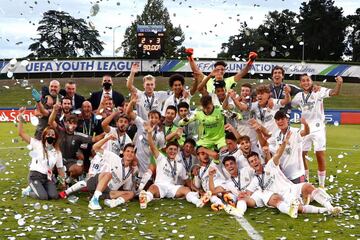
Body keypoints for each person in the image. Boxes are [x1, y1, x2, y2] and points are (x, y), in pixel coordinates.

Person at [246, 133, 343, 217]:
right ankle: (326, 210)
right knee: (298, 208)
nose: (254, 162)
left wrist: (285, 142)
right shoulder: (255, 180)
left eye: (255, 159)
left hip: (292, 188)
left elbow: (278, 154)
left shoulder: (270, 165)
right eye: (251, 162)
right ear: (250, 165)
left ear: (259, 160)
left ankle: (331, 207)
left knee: (308, 186)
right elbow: (247, 194)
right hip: (282, 196)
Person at [138, 124, 211, 209]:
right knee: (152, 187)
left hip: (172, 188)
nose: (172, 151)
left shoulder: (180, 165)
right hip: (159, 186)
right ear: (166, 150)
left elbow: (187, 181)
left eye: (175, 149)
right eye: (170, 149)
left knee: (185, 189)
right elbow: (152, 146)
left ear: (177, 151)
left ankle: (198, 202)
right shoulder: (161, 158)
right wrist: (150, 133)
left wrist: (198, 191)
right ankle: (144, 200)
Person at [292, 74, 343, 187]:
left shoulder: (318, 91)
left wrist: (339, 83)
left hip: (318, 128)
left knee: (320, 155)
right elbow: (290, 104)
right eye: (303, 81)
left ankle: (321, 185)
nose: (306, 82)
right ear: (300, 84)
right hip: (305, 129)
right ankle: (306, 183)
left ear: (311, 82)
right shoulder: (298, 96)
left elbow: (334, 92)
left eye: (308, 80)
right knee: (302, 155)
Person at [18, 107, 66, 200]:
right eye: (48, 134)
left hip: (47, 178)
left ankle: (40, 188)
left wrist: (63, 182)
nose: (50, 136)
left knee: (54, 196)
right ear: (44, 136)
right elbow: (21, 133)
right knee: (44, 197)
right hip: (35, 176)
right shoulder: (37, 144)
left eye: (52, 135)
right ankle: (28, 192)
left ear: (55, 137)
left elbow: (60, 169)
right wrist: (20, 118)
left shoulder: (57, 152)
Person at [87, 135, 136, 210]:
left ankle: (114, 203)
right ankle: (94, 201)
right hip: (95, 183)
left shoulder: (129, 173)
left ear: (134, 155)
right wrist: (107, 138)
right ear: (123, 152)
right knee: (109, 175)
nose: (130, 154)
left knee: (131, 193)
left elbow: (126, 189)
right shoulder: (114, 157)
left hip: (107, 192)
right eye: (128, 151)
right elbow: (95, 147)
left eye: (132, 152)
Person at [266, 111, 310, 183]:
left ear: (287, 119)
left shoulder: (294, 131)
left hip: (297, 175)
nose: (280, 121)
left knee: (299, 194)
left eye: (282, 119)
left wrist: (306, 124)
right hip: (284, 176)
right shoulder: (277, 134)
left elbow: (306, 132)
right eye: (277, 120)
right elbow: (268, 145)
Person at [186, 48, 257, 93]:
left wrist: (251, 60)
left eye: (222, 69)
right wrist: (190, 57)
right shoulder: (208, 80)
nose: (220, 71)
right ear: (214, 70)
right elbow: (196, 71)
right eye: (217, 69)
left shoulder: (229, 80)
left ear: (225, 71)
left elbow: (242, 72)